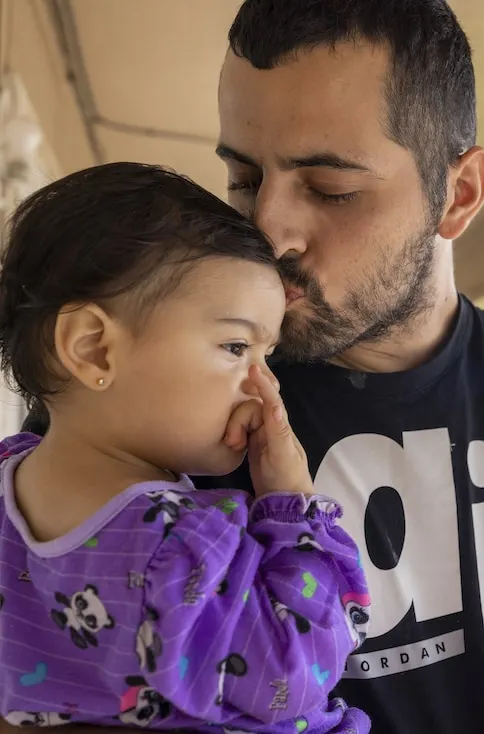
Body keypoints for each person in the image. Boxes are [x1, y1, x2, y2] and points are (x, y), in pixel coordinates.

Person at [11, 1, 484, 732]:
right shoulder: (156, 403)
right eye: (245, 180)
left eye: (330, 189)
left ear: (459, 194)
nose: (269, 231)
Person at [0, 163, 371, 733]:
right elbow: (296, 673)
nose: (263, 386)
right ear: (94, 350)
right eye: (235, 346)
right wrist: (293, 509)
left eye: (265, 357)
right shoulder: (173, 545)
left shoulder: (9, 475)